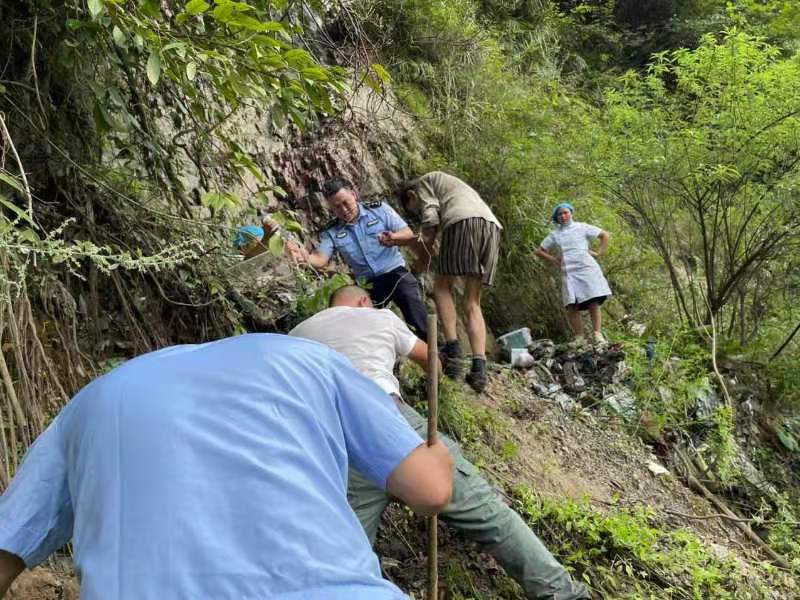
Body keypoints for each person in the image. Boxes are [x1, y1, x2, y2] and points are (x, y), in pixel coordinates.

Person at [0, 334, 453, 599]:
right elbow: (429, 491)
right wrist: (440, 457)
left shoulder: (90, 401)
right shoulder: (308, 358)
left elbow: (6, 550)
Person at [290, 285, 590, 600]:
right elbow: (430, 359)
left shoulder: (297, 334)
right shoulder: (378, 317)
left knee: (344, 556)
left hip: (334, 444)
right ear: (363, 301)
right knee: (486, 513)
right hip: (388, 419)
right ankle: (562, 594)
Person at [390, 171, 502, 392]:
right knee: (472, 302)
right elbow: (429, 239)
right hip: (492, 228)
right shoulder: (450, 187)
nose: (416, 211)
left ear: (411, 195)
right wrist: (424, 252)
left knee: (442, 287)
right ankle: (479, 368)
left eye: (412, 208)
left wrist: (419, 259)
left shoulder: (424, 183)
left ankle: (453, 349)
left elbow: (430, 219)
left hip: (462, 221)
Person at [289, 177, 429, 340]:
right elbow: (320, 259)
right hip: (367, 283)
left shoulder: (379, 210)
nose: (343, 210)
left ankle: (442, 356)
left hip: (395, 273)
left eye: (345, 203)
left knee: (416, 314)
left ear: (354, 195)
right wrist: (304, 257)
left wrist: (394, 237)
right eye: (336, 207)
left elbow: (408, 234)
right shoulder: (332, 231)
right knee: (362, 326)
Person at [534, 203, 611, 344]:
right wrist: (556, 260)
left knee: (593, 300)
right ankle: (579, 337)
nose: (563, 216)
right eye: (560, 214)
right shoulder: (555, 234)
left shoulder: (582, 227)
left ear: (571, 213)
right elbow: (539, 251)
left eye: (566, 213)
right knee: (571, 305)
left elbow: (605, 235)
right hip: (568, 272)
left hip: (586, 268)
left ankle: (597, 334)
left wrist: (599, 253)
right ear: (556, 218)